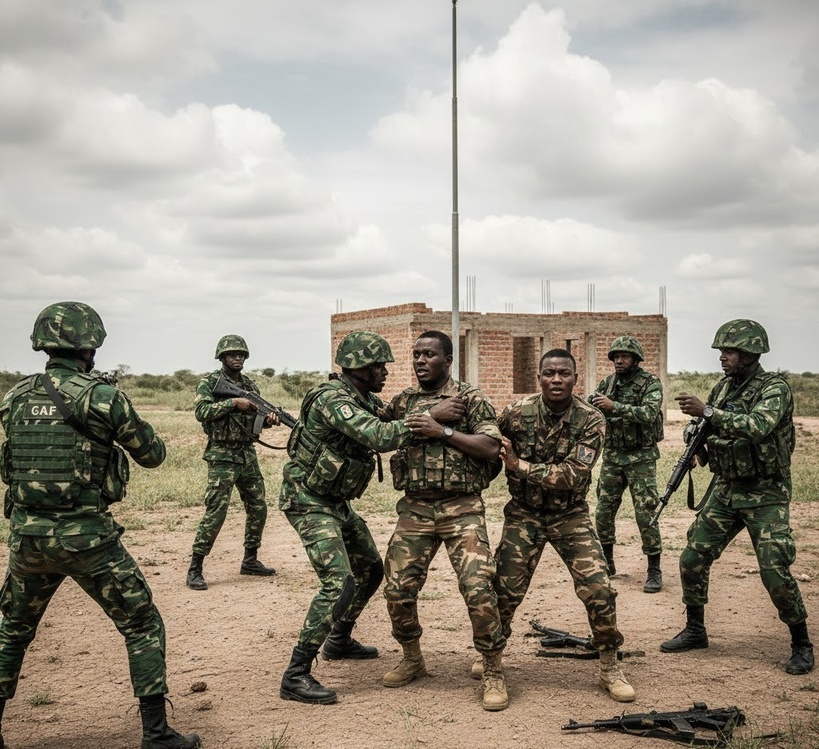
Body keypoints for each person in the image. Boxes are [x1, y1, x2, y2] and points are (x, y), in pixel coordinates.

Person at [0, 301, 200, 749]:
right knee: (142, 623)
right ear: (90, 344)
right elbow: (153, 455)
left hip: (27, 539)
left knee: (12, 631)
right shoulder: (102, 396)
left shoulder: (15, 396)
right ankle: (157, 735)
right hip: (87, 538)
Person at [279, 331, 427, 705]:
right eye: (379, 366)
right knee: (337, 581)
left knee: (371, 568)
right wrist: (428, 418)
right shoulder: (334, 399)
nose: (385, 373)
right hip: (308, 500)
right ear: (360, 368)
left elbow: (385, 417)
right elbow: (378, 435)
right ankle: (296, 674)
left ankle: (339, 638)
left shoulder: (362, 398)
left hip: (335, 501)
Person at [661, 319, 814, 675]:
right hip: (727, 489)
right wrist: (698, 444)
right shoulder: (723, 388)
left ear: (749, 354)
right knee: (691, 559)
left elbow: (759, 427)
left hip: (765, 493)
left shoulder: (774, 389)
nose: (722, 358)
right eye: (721, 351)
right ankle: (696, 630)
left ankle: (801, 642)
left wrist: (707, 411)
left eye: (728, 352)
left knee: (774, 570)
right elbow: (708, 428)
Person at [490, 348, 635, 702]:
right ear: (538, 377)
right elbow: (487, 436)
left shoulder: (591, 419)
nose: (557, 379)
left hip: (569, 514)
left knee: (599, 587)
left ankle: (608, 663)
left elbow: (571, 476)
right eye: (549, 373)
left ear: (575, 377)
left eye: (564, 374)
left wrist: (517, 465)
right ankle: (492, 662)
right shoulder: (515, 412)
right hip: (524, 512)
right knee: (503, 591)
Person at [382, 330, 509, 712]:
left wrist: (444, 431)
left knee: (478, 587)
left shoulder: (470, 398)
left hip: (462, 507)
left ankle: (492, 669)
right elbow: (380, 435)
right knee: (397, 589)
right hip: (416, 508)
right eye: (416, 355)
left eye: (430, 355)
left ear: (448, 360)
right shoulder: (403, 402)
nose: (421, 361)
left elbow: (490, 447)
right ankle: (412, 657)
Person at [186, 335, 278, 591]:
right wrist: (233, 403)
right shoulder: (210, 383)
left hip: (247, 454)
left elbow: (252, 425)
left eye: (241, 354)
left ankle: (250, 560)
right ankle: (195, 567)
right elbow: (201, 412)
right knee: (216, 511)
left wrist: (267, 420)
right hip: (221, 455)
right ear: (222, 357)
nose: (237, 358)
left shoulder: (249, 385)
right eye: (231, 354)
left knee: (258, 506)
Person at [590, 335, 665, 593]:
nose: (619, 360)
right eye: (616, 356)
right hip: (612, 455)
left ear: (636, 359)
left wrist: (614, 406)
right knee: (603, 511)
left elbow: (649, 414)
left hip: (641, 457)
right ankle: (607, 561)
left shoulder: (650, 383)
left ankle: (654, 568)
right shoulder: (607, 383)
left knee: (646, 512)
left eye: (625, 356)